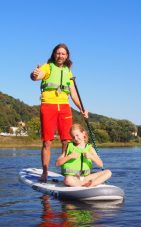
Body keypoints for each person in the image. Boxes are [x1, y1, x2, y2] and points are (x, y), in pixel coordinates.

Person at [30, 43, 88, 182]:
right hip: (48, 105)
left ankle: (65, 170)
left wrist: (82, 108)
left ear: (67, 56)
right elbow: (36, 76)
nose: (60, 55)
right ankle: (45, 172)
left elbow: (73, 94)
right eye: (58, 53)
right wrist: (34, 74)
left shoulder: (68, 72)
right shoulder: (47, 67)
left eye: (63, 53)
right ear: (54, 54)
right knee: (47, 142)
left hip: (64, 107)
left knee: (67, 141)